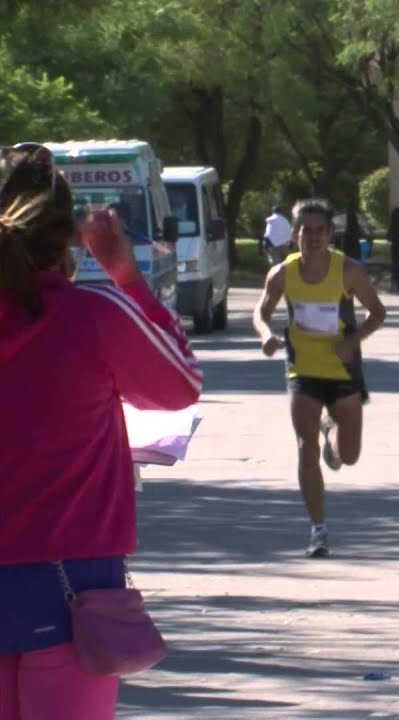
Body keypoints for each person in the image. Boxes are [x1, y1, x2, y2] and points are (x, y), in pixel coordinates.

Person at [1, 144, 201, 717]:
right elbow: (179, 384)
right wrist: (126, 276)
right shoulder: (91, 316)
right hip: (73, 588)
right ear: (67, 237)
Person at [253, 199, 387, 558]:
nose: (312, 237)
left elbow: (377, 312)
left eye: (319, 231)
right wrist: (265, 334)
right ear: (294, 233)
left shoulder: (349, 272)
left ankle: (333, 435)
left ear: (330, 233)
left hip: (342, 368)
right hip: (302, 369)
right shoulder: (282, 273)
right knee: (304, 448)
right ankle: (318, 529)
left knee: (350, 455)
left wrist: (352, 341)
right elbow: (262, 310)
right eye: (305, 231)